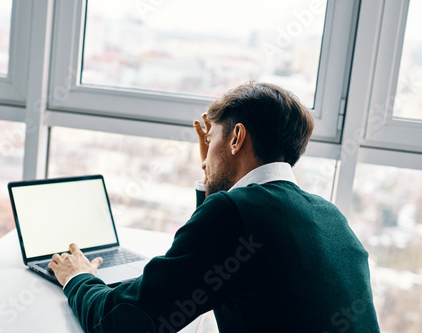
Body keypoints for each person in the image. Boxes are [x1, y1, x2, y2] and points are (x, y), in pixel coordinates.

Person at [48, 81, 380, 332]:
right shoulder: (328, 213)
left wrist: (77, 278)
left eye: (212, 139)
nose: (205, 155)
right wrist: (212, 179)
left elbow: (122, 322)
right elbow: (207, 266)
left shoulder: (234, 214)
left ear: (236, 138)